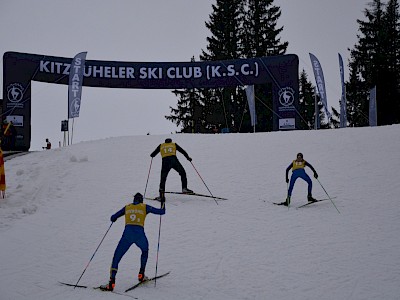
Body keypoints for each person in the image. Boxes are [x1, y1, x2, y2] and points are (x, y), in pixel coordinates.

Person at [100, 192, 166, 291]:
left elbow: (113, 217)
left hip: (127, 235)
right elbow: (162, 212)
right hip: (139, 235)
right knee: (145, 250)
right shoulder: (145, 207)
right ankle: (141, 274)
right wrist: (163, 202)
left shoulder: (127, 207)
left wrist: (114, 219)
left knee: (117, 256)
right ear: (141, 200)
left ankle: (111, 283)